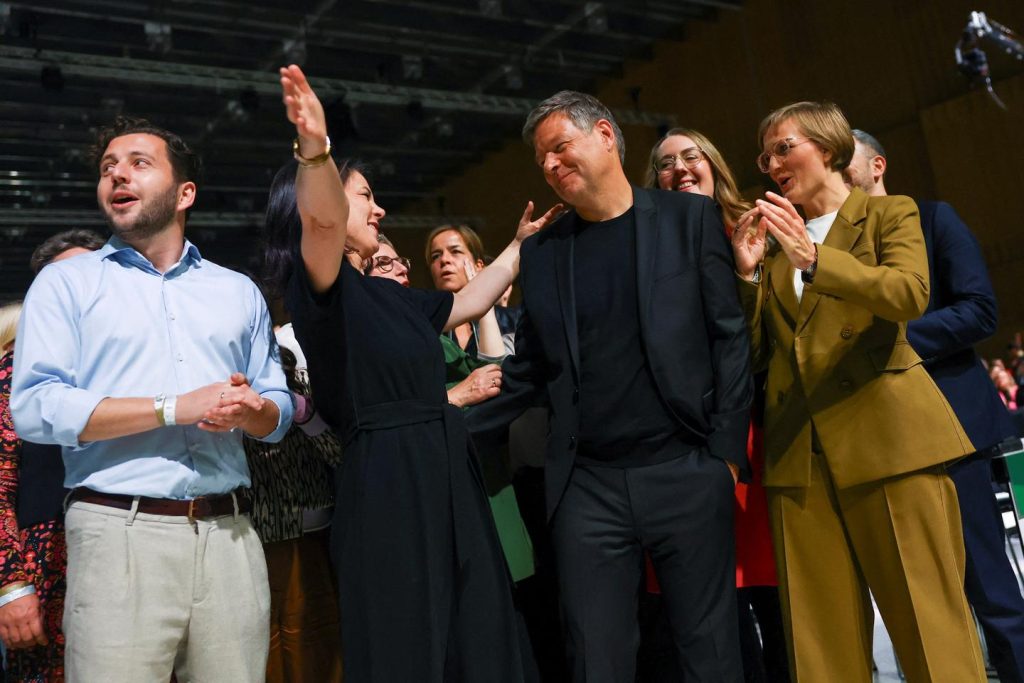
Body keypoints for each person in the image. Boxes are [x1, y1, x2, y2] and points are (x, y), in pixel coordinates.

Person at [270, 64, 560, 682]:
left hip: (445, 462)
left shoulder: (397, 296)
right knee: (407, 637)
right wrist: (316, 151)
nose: (379, 210)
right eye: (367, 195)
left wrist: (520, 245)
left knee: (479, 624)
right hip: (386, 478)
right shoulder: (323, 287)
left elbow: (470, 301)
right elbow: (322, 222)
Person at [466, 90, 753, 683]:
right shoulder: (543, 253)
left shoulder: (688, 220)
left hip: (688, 469)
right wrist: (449, 417)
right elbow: (533, 369)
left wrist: (724, 456)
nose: (548, 165)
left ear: (603, 134)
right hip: (587, 488)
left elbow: (730, 339)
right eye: (540, 158)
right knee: (597, 659)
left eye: (558, 148)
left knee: (711, 654)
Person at [10, 116, 293, 682]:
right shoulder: (67, 284)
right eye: (108, 167)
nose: (118, 174)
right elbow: (36, 407)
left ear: (185, 192)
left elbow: (277, 409)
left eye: (139, 162)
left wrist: (253, 410)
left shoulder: (237, 291)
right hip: (119, 535)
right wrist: (171, 407)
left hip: (231, 537)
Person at [731, 100, 985, 681]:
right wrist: (746, 279)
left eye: (783, 147)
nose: (770, 163)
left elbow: (907, 295)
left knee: (930, 624)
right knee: (820, 647)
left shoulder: (887, 214)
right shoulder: (770, 251)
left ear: (827, 146)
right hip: (802, 458)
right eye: (764, 155)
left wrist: (817, 259)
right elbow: (755, 358)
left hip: (890, 444)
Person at [846, 129, 1024, 683]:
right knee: (916, 607)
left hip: (955, 429)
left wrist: (892, 341)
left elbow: (979, 311)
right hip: (880, 443)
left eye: (841, 158)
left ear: (878, 165)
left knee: (990, 589)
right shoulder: (829, 252)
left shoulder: (932, 219)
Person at [644, 128, 788, 683]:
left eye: (690, 156)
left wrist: (745, 272)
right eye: (664, 164)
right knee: (710, 611)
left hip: (761, 438)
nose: (678, 168)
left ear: (715, 164)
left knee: (776, 599)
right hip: (683, 447)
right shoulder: (645, 244)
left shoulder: (760, 228)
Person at [0, 229, 105, 683]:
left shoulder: (133, 367)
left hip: (132, 559)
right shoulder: (14, 373)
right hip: (45, 574)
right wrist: (12, 585)